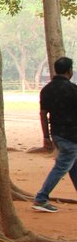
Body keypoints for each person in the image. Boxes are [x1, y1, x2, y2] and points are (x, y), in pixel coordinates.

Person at [31, 56, 77, 213]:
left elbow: (43, 114)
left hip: (57, 134)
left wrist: (46, 136)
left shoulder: (46, 90)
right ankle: (41, 198)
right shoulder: (73, 90)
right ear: (69, 71)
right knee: (62, 167)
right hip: (72, 136)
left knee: (74, 165)